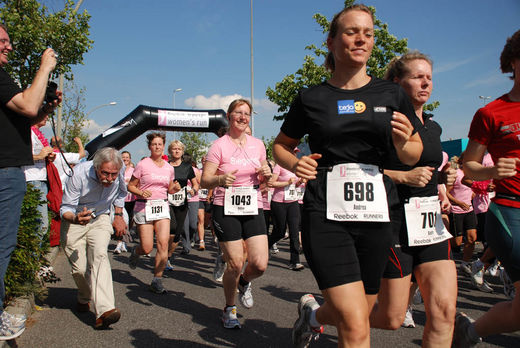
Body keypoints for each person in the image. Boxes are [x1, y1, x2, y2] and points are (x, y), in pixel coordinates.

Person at [272, 5, 423, 347]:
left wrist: (404, 142)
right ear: (331, 41)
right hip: (325, 213)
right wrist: (296, 164)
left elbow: (412, 153)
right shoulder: (312, 97)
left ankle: (312, 316)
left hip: (377, 214)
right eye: (352, 31)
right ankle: (317, 317)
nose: (361, 39)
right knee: (356, 325)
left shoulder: (391, 93)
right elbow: (280, 146)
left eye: (368, 33)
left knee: (360, 311)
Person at [368, 51, 457, 346]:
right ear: (396, 82)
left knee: (444, 311)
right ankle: (319, 315)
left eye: (429, 78)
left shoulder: (433, 126)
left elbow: (430, 170)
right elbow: (362, 171)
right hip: (393, 222)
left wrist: (443, 185)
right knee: (391, 318)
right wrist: (403, 176)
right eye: (418, 77)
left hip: (430, 224)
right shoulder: (381, 124)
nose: (426, 83)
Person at [453, 29, 520, 347]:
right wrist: (493, 169)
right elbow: (469, 166)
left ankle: (470, 331)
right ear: (514, 62)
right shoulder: (491, 113)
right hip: (511, 211)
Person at [0, 23, 61, 340]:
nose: (8, 47)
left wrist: (46, 102)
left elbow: (27, 113)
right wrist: (45, 66)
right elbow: (26, 104)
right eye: (3, 41)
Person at [201, 98, 272, 329]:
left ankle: (244, 282)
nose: (243, 117)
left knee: (260, 264)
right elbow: (205, 180)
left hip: (253, 204)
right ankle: (229, 308)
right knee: (235, 262)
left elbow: (265, 177)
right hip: (226, 206)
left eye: (247, 114)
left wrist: (266, 173)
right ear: (229, 116)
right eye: (238, 113)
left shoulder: (258, 144)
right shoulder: (219, 146)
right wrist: (221, 179)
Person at [60, 147, 127, 329]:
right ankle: (84, 296)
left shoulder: (118, 172)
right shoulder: (79, 174)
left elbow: (122, 192)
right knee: (79, 269)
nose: (110, 178)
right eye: (105, 173)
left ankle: (105, 311)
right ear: (96, 167)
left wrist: (119, 215)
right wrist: (75, 218)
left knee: (99, 256)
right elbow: (65, 207)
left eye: (114, 174)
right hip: (76, 218)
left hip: (101, 217)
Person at [127, 133, 179, 293]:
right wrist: (140, 193)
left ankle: (157, 279)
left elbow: (169, 188)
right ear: (149, 147)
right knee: (148, 248)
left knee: (163, 245)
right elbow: (131, 186)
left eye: (160, 144)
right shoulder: (143, 164)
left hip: (162, 207)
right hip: (144, 207)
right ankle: (137, 251)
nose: (157, 146)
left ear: (164, 146)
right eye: (154, 144)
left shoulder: (169, 168)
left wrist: (175, 189)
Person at [268, 150, 305, 270]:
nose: (294, 154)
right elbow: (271, 183)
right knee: (279, 231)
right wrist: (286, 183)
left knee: (294, 231)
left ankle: (295, 261)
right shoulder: (279, 166)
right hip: (279, 203)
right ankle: (264, 247)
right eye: (292, 152)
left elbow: (295, 185)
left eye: (295, 152)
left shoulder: (296, 167)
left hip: (293, 202)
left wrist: (299, 182)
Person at [22, 115, 56, 242]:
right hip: (32, 179)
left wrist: (48, 157)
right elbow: (21, 156)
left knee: (41, 224)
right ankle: (33, 257)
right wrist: (40, 155)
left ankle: (35, 257)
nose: (46, 116)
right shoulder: (28, 132)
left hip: (41, 179)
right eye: (43, 113)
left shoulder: (37, 133)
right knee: (40, 224)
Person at [166, 140, 198, 262]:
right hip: (167, 202)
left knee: (177, 234)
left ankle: (168, 256)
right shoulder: (165, 166)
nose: (177, 151)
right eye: (174, 148)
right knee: (172, 228)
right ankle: (163, 254)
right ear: (170, 151)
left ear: (182, 151)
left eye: (179, 149)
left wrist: (193, 190)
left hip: (181, 203)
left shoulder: (187, 167)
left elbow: (195, 184)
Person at [114, 150, 134, 254]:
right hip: (120, 200)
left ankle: (124, 242)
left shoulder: (133, 171)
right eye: (123, 157)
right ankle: (119, 243)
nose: (125, 159)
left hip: (131, 199)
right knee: (121, 220)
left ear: (130, 159)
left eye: (127, 157)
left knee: (129, 221)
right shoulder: (117, 170)